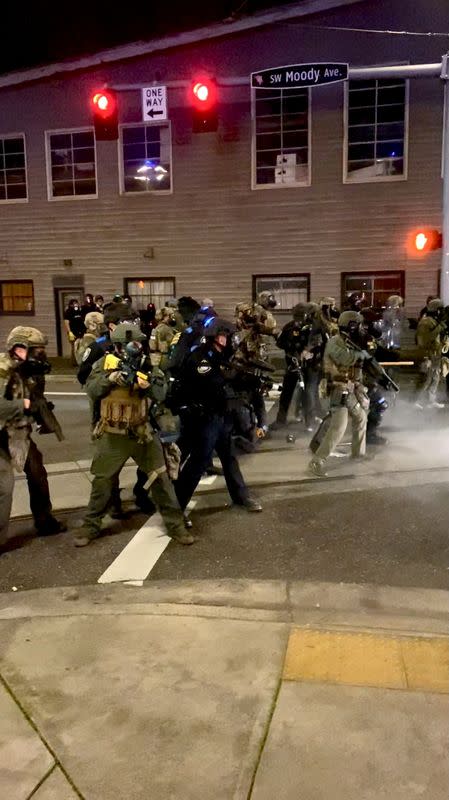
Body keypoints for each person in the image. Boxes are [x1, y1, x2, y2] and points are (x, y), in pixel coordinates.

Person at [73, 323, 194, 547]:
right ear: (116, 347)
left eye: (136, 344)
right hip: (112, 433)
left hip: (142, 433)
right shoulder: (104, 364)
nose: (131, 349)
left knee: (161, 479)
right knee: (102, 482)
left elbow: (160, 394)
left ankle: (175, 524)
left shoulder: (148, 365)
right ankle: (91, 525)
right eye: (125, 345)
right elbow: (91, 390)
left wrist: (147, 384)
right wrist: (110, 379)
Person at [173, 317, 263, 513]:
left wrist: (250, 382)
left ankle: (241, 496)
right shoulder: (201, 357)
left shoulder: (220, 356)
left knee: (229, 457)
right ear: (218, 338)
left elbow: (229, 380)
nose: (231, 339)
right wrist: (237, 380)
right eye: (227, 336)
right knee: (198, 461)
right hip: (203, 418)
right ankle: (177, 506)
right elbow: (214, 385)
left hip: (220, 416)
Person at [0, 327, 67, 553]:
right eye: (37, 351)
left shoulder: (29, 373)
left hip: (19, 434)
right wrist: (24, 406)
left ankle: (44, 521)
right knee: (4, 487)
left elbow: (36, 399)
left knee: (37, 473)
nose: (41, 356)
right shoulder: (2, 371)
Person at [308, 311, 370, 478]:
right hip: (337, 389)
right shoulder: (335, 342)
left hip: (349, 388)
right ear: (350, 326)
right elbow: (346, 359)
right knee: (339, 427)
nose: (360, 328)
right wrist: (362, 353)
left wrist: (359, 384)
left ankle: (358, 454)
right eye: (358, 325)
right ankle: (317, 461)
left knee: (361, 417)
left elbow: (357, 368)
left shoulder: (351, 342)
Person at [415, 298, 447, 410]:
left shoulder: (434, 321)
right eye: (440, 310)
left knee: (435, 378)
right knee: (425, 379)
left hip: (435, 355)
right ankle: (415, 400)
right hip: (427, 355)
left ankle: (430, 400)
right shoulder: (426, 322)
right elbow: (423, 340)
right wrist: (440, 327)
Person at [64, 298, 85, 364]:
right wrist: (69, 331)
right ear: (71, 305)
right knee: (74, 347)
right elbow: (66, 322)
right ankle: (74, 361)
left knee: (80, 346)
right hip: (73, 332)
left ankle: (80, 360)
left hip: (81, 331)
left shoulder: (80, 311)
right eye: (74, 304)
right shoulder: (68, 312)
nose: (76, 305)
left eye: (76, 303)